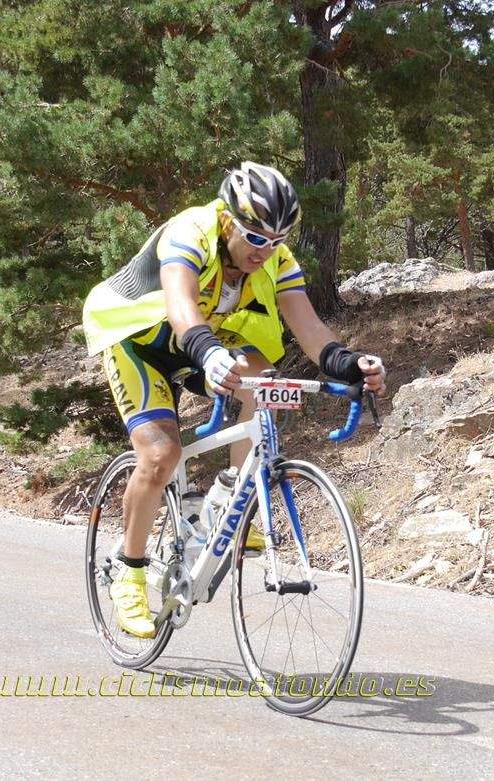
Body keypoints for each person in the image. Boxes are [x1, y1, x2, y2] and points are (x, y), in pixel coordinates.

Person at [81, 161, 384, 638]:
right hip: (138, 340)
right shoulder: (190, 231)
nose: (265, 251)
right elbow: (181, 305)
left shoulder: (277, 260)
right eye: (256, 238)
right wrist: (208, 353)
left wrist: (350, 364)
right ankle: (130, 571)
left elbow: (309, 330)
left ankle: (232, 498)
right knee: (161, 455)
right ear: (227, 221)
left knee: (261, 376)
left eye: (277, 240)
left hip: (201, 345)